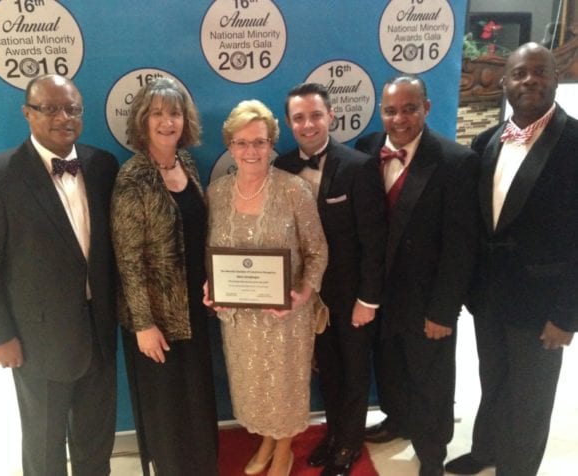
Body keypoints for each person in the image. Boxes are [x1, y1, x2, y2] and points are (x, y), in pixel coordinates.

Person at [0, 74, 119, 476]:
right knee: (44, 444)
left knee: (96, 438)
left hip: (99, 328)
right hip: (36, 339)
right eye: (50, 108)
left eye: (73, 108)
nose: (64, 117)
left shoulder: (101, 165)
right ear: (28, 113)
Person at [445, 43, 578, 476]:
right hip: (490, 299)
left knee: (531, 398)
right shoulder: (486, 142)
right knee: (495, 381)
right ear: (505, 82)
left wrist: (567, 315)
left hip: (544, 307)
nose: (530, 80)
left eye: (540, 72)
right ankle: (487, 452)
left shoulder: (575, 143)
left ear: (556, 79)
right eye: (520, 73)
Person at [355, 75, 479, 476]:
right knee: (390, 367)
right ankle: (397, 420)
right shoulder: (367, 148)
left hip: (427, 301)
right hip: (379, 294)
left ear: (426, 108)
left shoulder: (455, 161)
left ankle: (431, 453)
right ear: (381, 112)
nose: (400, 118)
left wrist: (444, 312)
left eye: (410, 108)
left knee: (431, 380)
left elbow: (461, 247)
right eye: (391, 110)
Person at [204, 99, 327, 476]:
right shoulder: (217, 193)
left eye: (259, 142)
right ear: (229, 145)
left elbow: (317, 251)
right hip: (239, 319)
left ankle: (283, 450)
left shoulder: (294, 190)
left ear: (272, 143)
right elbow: (212, 251)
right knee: (255, 388)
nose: (250, 151)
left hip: (286, 316)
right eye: (241, 143)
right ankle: (268, 440)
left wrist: (304, 294)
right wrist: (212, 286)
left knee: (285, 389)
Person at [274, 83, 387, 476]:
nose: (308, 124)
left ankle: (350, 444)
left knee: (355, 372)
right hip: (308, 297)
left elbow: (375, 241)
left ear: (331, 116)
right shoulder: (281, 168)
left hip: (351, 295)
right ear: (289, 123)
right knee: (329, 372)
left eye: (315, 115)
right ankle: (334, 434)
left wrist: (368, 300)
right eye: (299, 117)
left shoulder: (358, 166)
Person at [111, 77, 218, 476]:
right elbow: (129, 260)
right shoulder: (132, 177)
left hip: (194, 308)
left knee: (196, 400)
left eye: (174, 112)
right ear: (142, 120)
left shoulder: (187, 164)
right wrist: (143, 325)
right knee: (168, 411)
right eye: (157, 113)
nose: (166, 121)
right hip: (155, 318)